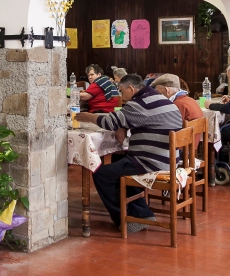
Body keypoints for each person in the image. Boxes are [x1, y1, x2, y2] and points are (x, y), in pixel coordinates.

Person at [76, 74, 183, 233]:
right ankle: (142, 213)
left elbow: (109, 122)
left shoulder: (139, 104)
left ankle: (125, 218)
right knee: (121, 161)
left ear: (131, 89)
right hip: (169, 159)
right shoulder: (160, 99)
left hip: (151, 162)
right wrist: (124, 126)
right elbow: (129, 120)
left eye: (121, 91)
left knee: (101, 174)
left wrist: (88, 117)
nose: (121, 95)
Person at [151, 73, 204, 147]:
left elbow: (168, 130)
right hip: (191, 146)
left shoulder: (176, 105)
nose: (157, 96)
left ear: (167, 90)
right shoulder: (190, 100)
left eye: (158, 92)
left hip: (181, 149)